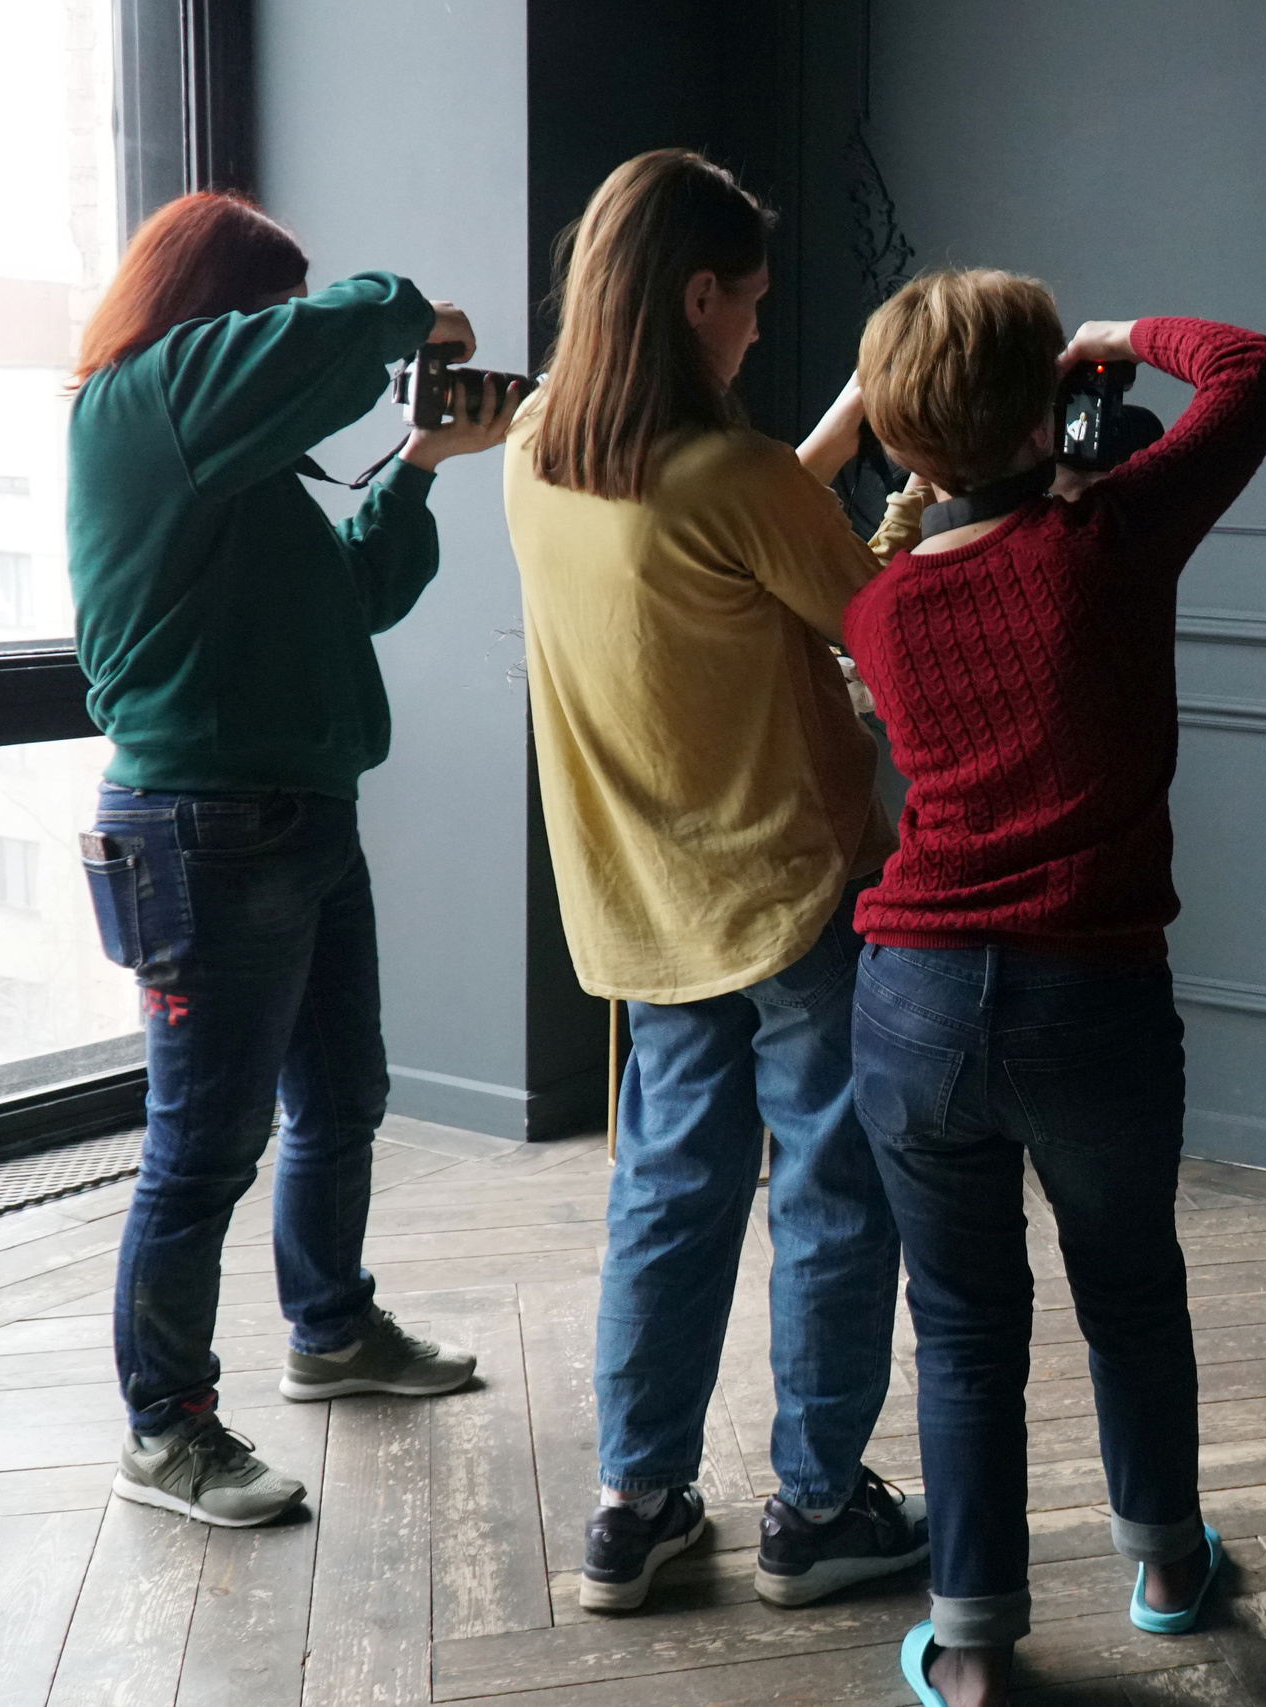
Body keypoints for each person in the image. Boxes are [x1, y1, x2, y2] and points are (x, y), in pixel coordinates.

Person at [842, 270, 1266, 1707]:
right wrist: (1119, 334)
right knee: (1129, 1284)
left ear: (905, 443)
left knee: (964, 1321)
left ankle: (972, 1644)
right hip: (1087, 995)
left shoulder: (878, 611)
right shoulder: (1105, 540)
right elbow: (1254, 368)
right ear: (1051, 400)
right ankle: (1167, 1563)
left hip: (909, 994)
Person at [500, 148, 926, 1614]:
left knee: (668, 1192)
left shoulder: (540, 446)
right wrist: (915, 498)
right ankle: (814, 1507)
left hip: (643, 906)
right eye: (746, 300)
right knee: (829, 1187)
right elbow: (880, 631)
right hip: (795, 889)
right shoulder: (735, 477)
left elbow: (714, 539)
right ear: (694, 298)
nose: (756, 322)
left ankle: (638, 1500)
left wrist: (828, 438)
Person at [68, 192, 514, 1526]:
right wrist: (409, 309)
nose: (282, 334)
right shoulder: (140, 403)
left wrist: (424, 460)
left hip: (302, 819)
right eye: (265, 309)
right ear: (215, 305)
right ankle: (165, 1425)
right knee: (202, 1148)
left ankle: (329, 1326)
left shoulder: (239, 460)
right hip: (201, 826)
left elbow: (361, 596)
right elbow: (347, 322)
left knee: (342, 1097)